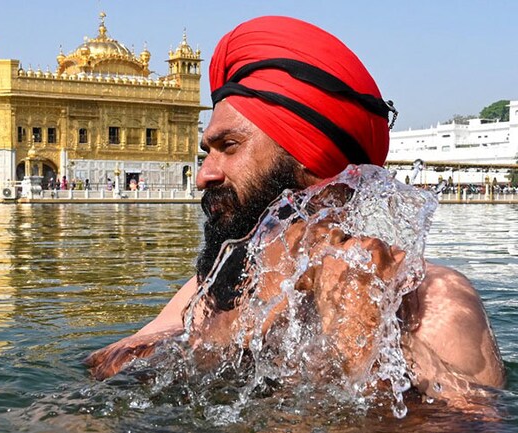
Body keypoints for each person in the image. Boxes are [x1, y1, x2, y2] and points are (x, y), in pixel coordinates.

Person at [85, 16, 504, 404]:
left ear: (310, 161)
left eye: (229, 147)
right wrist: (193, 348)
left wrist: (364, 327)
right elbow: (104, 371)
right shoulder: (215, 289)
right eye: (206, 152)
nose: (204, 174)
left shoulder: (428, 299)